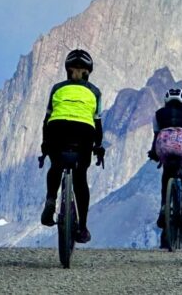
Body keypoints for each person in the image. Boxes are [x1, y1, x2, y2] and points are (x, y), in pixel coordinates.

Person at [40, 49, 105, 244]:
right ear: (88, 71)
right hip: (84, 130)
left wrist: (45, 144)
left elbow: (47, 119)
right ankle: (83, 227)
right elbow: (98, 123)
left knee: (56, 166)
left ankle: (51, 199)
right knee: (80, 178)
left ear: (68, 70)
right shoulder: (94, 91)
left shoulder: (57, 88)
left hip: (57, 127)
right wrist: (98, 146)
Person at [148, 88, 182, 238]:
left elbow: (156, 137)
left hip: (164, 147)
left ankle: (165, 206)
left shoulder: (158, 114)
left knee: (166, 174)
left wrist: (153, 153)